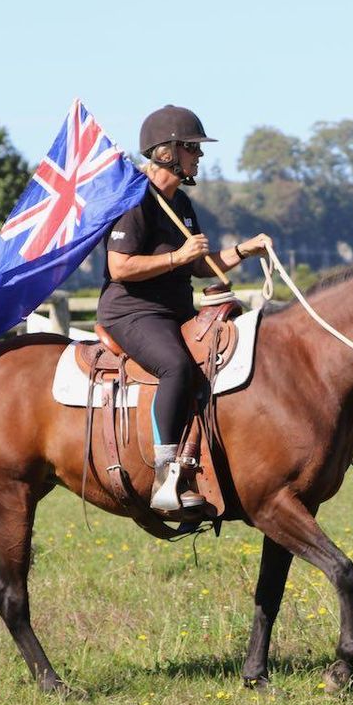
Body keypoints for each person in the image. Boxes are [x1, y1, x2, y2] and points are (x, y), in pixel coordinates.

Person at [96, 105, 271, 513]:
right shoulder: (135, 200)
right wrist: (176, 258)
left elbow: (198, 264)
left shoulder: (182, 205)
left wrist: (247, 249)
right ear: (166, 152)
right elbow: (119, 266)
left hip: (173, 311)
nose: (200, 156)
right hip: (131, 313)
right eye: (192, 147)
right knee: (176, 367)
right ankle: (165, 474)